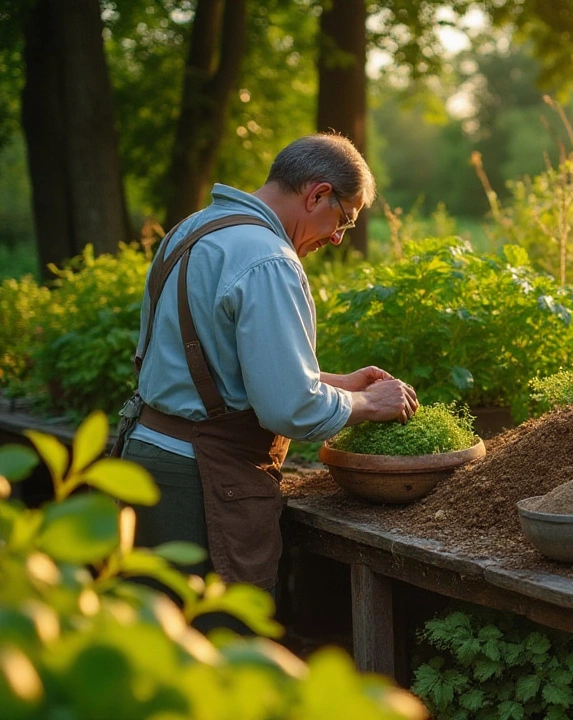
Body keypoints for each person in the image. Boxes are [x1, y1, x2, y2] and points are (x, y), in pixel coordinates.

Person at [115, 133, 418, 603]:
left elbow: (216, 368)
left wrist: (332, 382)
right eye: (343, 219)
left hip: (147, 456)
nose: (338, 237)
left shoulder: (194, 229)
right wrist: (367, 402)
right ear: (317, 194)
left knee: (154, 639)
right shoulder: (269, 260)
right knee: (221, 647)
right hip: (201, 481)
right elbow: (290, 410)